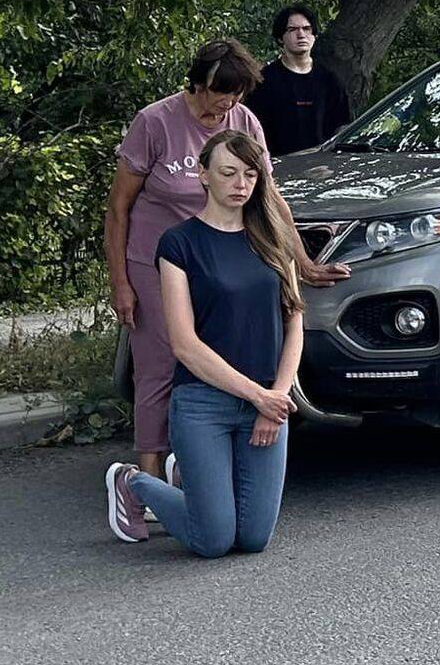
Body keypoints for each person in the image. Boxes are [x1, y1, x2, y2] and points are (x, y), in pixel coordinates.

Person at [104, 38, 347, 482]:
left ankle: (198, 461)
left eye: (235, 97)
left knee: (221, 357)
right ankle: (148, 475)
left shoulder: (244, 123)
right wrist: (120, 282)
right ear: (197, 84)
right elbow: (119, 208)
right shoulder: (154, 123)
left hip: (221, 262)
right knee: (160, 365)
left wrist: (305, 262)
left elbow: (270, 197)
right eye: (220, 96)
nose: (226, 107)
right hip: (156, 262)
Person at [104, 131, 303, 555]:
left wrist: (277, 398)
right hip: (202, 404)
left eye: (250, 174)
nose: (241, 184)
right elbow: (184, 345)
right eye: (228, 172)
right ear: (204, 175)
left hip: (266, 403)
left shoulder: (273, 239)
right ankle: (134, 482)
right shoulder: (179, 244)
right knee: (212, 542)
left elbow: (294, 322)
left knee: (252, 540)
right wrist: (259, 396)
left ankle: (192, 480)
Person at [244, 3, 353, 156]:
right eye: (292, 29)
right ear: (280, 38)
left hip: (323, 168)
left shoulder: (330, 80)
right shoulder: (263, 81)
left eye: (306, 29)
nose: (301, 35)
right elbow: (250, 130)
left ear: (314, 35)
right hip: (277, 166)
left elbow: (343, 127)